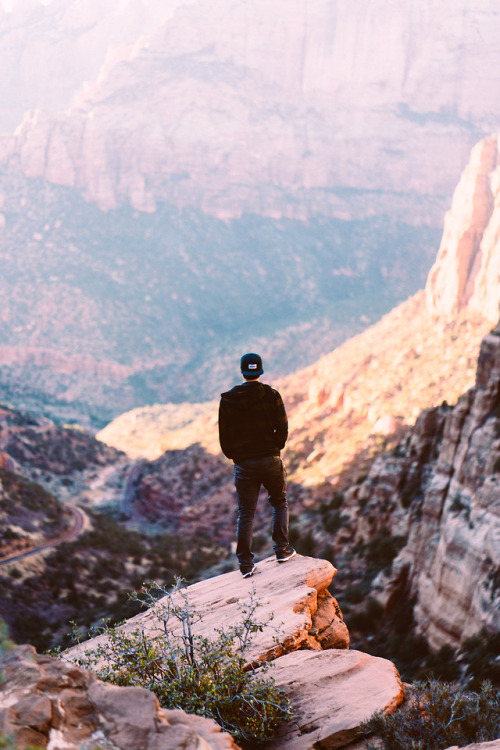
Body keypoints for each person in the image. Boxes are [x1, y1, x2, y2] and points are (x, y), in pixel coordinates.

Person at [218, 352, 296, 578]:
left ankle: (245, 565)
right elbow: (283, 428)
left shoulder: (228, 400)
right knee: (279, 503)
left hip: (244, 464)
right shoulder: (272, 395)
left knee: (246, 513)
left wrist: (237, 457)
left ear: (242, 371)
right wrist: (274, 448)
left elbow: (225, 437)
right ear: (260, 371)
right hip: (270, 460)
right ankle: (282, 550)